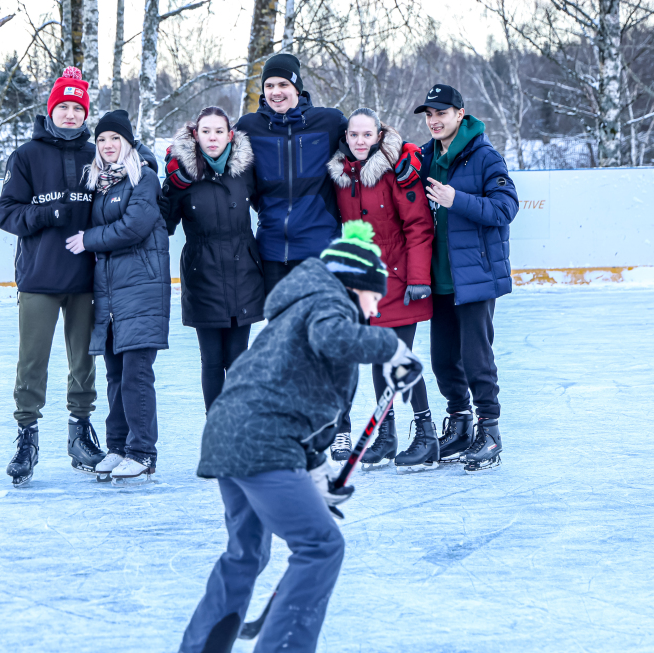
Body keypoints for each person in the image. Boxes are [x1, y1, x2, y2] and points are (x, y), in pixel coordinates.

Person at [178, 221, 422, 653]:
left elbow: (291, 397)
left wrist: (316, 472)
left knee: (246, 554)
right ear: (354, 285)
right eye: (373, 296)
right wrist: (392, 348)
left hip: (228, 437)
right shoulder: (328, 302)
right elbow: (332, 338)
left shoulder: (297, 310)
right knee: (321, 546)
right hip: (262, 444)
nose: (374, 310)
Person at [0, 66, 104, 486]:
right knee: (32, 360)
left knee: (84, 360)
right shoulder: (26, 156)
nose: (71, 114)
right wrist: (45, 214)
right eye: (64, 107)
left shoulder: (97, 154)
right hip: (39, 278)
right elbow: (7, 213)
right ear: (51, 110)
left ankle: (80, 434)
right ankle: (27, 437)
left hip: (86, 278)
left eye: (78, 108)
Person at [415, 84, 519, 473]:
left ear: (460, 114)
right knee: (443, 360)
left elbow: (505, 208)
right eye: (429, 115)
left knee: (477, 358)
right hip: (438, 277)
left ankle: (489, 430)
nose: (434, 121)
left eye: (441, 113)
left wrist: (456, 199)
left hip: (474, 276)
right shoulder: (425, 156)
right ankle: (459, 424)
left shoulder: (485, 156)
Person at [327, 107, 437, 472]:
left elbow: (419, 226)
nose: (360, 141)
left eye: (367, 134)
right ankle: (386, 435)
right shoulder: (343, 175)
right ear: (345, 138)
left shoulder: (397, 168)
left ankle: (426, 434)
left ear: (379, 135)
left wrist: (418, 279)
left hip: (401, 278)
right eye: (354, 135)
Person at [64, 110, 170, 485]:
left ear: (128, 142)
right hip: (110, 293)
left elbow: (134, 227)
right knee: (115, 374)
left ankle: (142, 452)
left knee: (136, 374)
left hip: (141, 289)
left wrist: (89, 239)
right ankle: (119, 447)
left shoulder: (144, 178)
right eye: (102, 140)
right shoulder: (103, 183)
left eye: (115, 139)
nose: (108, 145)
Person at [163, 106, 264, 411]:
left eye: (219, 131)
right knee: (211, 361)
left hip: (244, 276)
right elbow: (164, 223)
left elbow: (269, 206)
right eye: (205, 131)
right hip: (203, 277)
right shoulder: (183, 174)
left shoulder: (245, 170)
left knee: (237, 359)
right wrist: (169, 184)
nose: (212, 138)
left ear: (230, 135)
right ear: (195, 135)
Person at [233, 53, 348, 295]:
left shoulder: (329, 121)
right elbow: (217, 154)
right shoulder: (249, 127)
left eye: (283, 84)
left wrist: (402, 152)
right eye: (269, 86)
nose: (276, 92)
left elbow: (367, 140)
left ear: (297, 88)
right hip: (271, 253)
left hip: (320, 252)